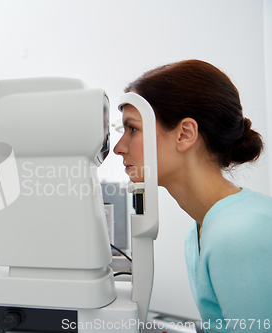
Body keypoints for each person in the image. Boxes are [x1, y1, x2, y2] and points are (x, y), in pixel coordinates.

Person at [114, 59, 272, 331]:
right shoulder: (200, 232)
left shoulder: (240, 233)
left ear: (185, 134)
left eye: (133, 129)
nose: (119, 147)